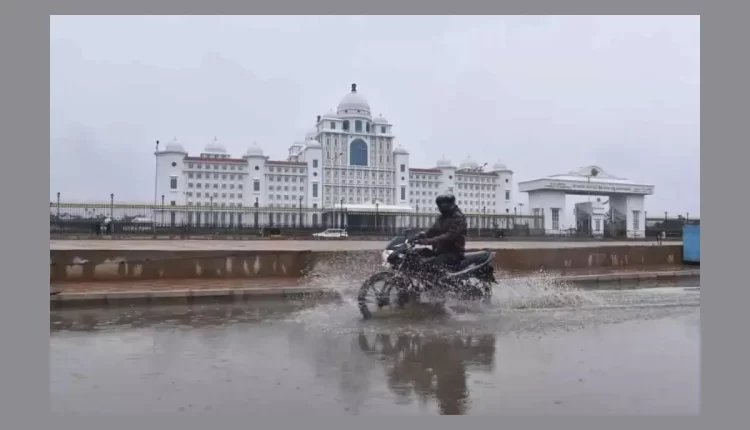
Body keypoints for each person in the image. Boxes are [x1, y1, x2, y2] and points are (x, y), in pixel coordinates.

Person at [413, 194, 467, 269]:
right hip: (439, 251)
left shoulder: (458, 218)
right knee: (417, 254)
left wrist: (427, 241)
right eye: (438, 205)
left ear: (448, 205)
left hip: (454, 253)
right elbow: (432, 230)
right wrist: (419, 236)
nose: (439, 208)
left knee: (434, 265)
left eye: (441, 206)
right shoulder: (442, 217)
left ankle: (439, 280)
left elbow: (449, 236)